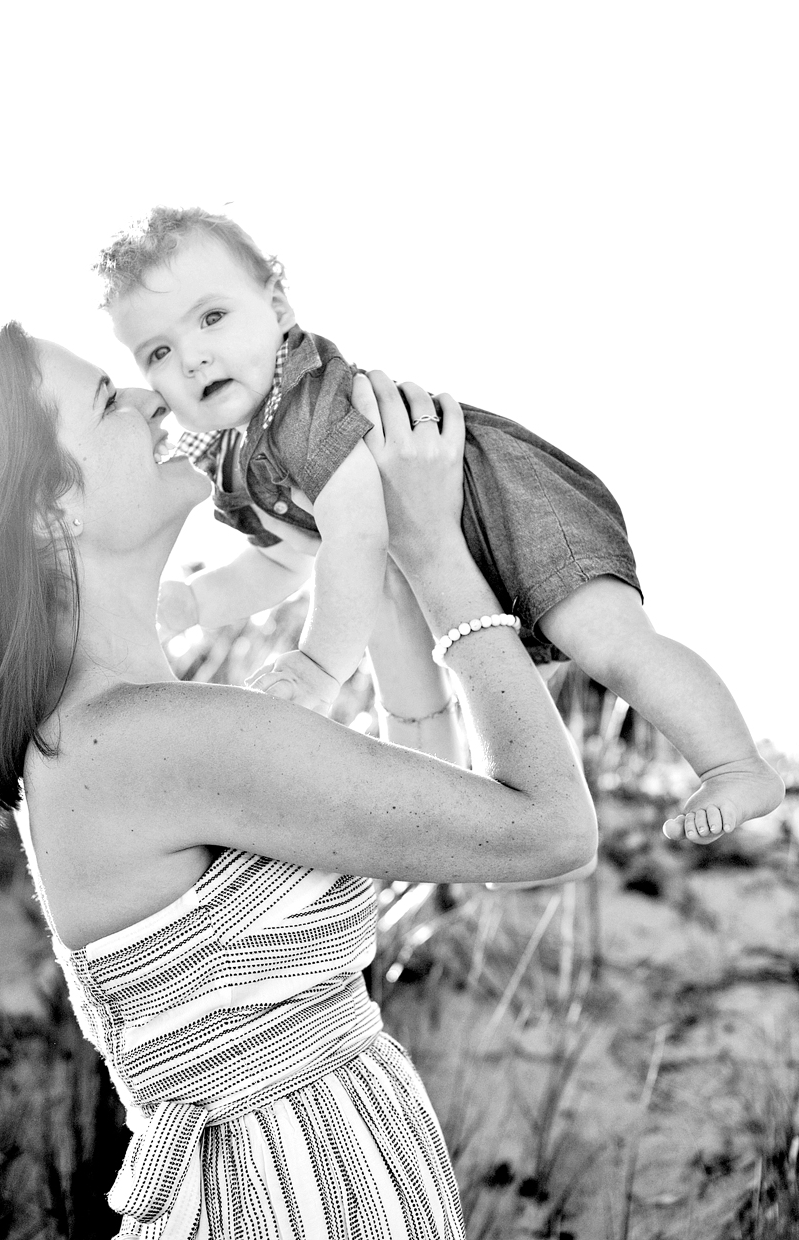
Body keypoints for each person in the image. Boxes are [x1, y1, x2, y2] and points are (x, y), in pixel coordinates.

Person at [0, 322, 597, 1239]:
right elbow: (551, 826)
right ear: (49, 510)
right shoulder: (152, 740)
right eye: (113, 401)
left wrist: (375, 553)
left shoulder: (111, 734)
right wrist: (437, 555)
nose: (160, 400)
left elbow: (430, 807)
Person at [97, 206, 784, 847]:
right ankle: (456, 830)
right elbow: (282, 563)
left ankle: (734, 764)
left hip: (515, 500)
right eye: (156, 352)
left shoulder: (305, 404)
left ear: (277, 308)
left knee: (613, 645)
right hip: (455, 545)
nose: (191, 358)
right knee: (430, 690)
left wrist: (318, 665)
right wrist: (196, 603)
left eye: (212, 317)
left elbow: (356, 536)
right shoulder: (243, 453)